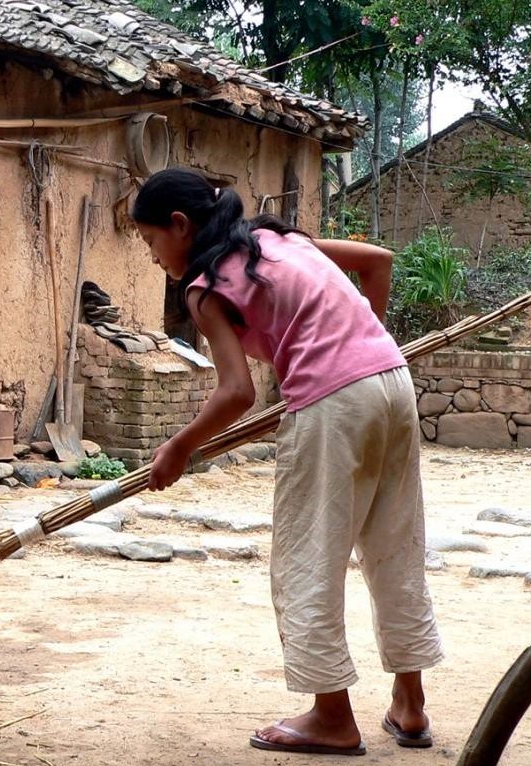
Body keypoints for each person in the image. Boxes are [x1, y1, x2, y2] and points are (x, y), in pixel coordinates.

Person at [132, 168, 444, 755]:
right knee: (394, 547)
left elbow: (236, 394)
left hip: (334, 404)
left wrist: (178, 446)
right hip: (392, 382)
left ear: (179, 225)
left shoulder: (204, 288)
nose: (152, 256)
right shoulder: (282, 240)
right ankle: (410, 704)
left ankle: (332, 716)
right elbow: (377, 261)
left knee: (307, 559)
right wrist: (358, 342)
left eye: (150, 240)